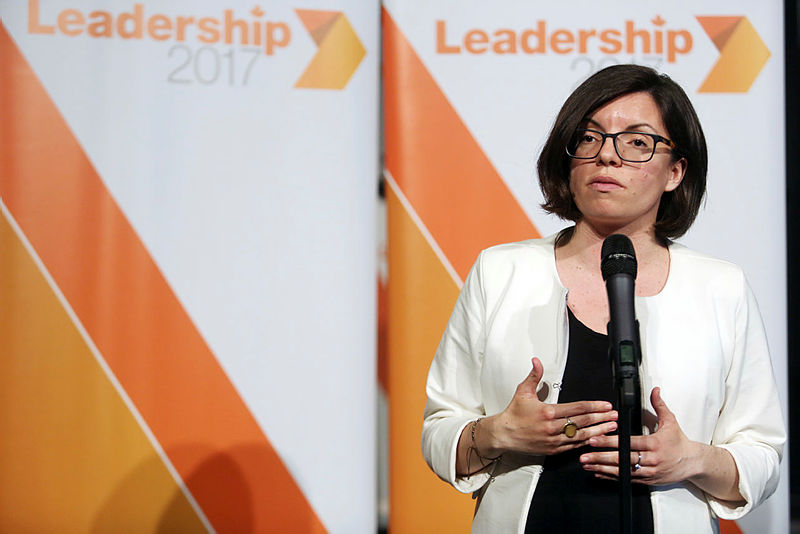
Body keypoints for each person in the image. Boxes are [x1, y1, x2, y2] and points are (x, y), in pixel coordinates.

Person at [421, 64, 785, 533]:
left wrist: (690, 459)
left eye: (637, 142)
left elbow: (762, 457)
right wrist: (498, 433)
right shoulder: (500, 271)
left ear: (675, 171)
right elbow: (439, 430)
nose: (607, 156)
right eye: (589, 138)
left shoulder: (720, 287)